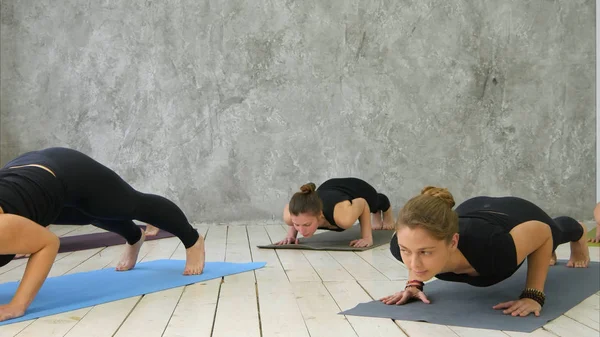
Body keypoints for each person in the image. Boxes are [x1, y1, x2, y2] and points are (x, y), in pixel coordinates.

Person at [0, 147, 205, 322]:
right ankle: (134, 236)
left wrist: (18, 305)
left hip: (65, 170)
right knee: (88, 212)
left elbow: (48, 244)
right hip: (30, 180)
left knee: (128, 205)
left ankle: (192, 240)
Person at [381, 186, 590, 318]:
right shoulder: (399, 246)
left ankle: (578, 231)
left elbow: (542, 232)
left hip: (515, 213)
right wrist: (414, 284)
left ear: (453, 242)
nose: (413, 264)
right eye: (406, 251)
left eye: (426, 253)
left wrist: (533, 295)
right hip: (472, 209)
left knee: (555, 233)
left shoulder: (493, 247)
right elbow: (414, 245)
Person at [277, 177, 394, 248]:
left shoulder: (342, 217)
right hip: (328, 188)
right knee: (295, 221)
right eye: (297, 225)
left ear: (320, 215)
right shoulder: (289, 216)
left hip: (356, 188)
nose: (302, 231)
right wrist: (291, 235)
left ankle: (384, 208)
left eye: (307, 225)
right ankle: (377, 213)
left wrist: (367, 238)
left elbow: (362, 203)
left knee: (373, 203)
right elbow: (295, 212)